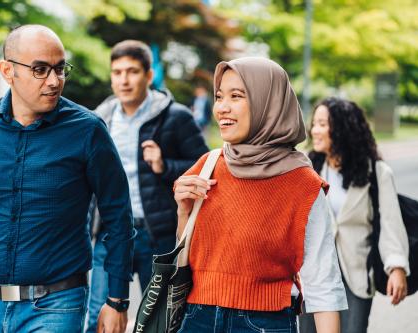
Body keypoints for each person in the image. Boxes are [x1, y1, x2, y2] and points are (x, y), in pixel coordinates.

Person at [0, 25, 134, 333]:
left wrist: (116, 300)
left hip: (56, 306)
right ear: (7, 71)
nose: (55, 81)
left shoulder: (87, 130)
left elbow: (118, 217)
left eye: (60, 69)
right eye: (40, 70)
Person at [173, 57, 348, 333]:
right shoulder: (206, 166)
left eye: (236, 96)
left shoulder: (302, 183)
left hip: (264, 324)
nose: (222, 107)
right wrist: (184, 211)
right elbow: (189, 259)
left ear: (269, 104)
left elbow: (323, 282)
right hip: (196, 319)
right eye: (219, 97)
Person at [86, 40, 208, 333]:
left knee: (161, 322)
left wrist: (164, 166)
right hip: (110, 234)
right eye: (117, 72)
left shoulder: (175, 116)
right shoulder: (98, 120)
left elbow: (204, 168)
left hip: (157, 235)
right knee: (98, 321)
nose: (124, 80)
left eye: (132, 71)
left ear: (149, 75)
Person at [299, 97, 409, 333]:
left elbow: (390, 223)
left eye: (322, 124)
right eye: (314, 124)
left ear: (342, 129)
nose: (314, 130)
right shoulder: (308, 169)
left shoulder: (376, 172)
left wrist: (397, 267)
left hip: (356, 275)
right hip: (314, 275)